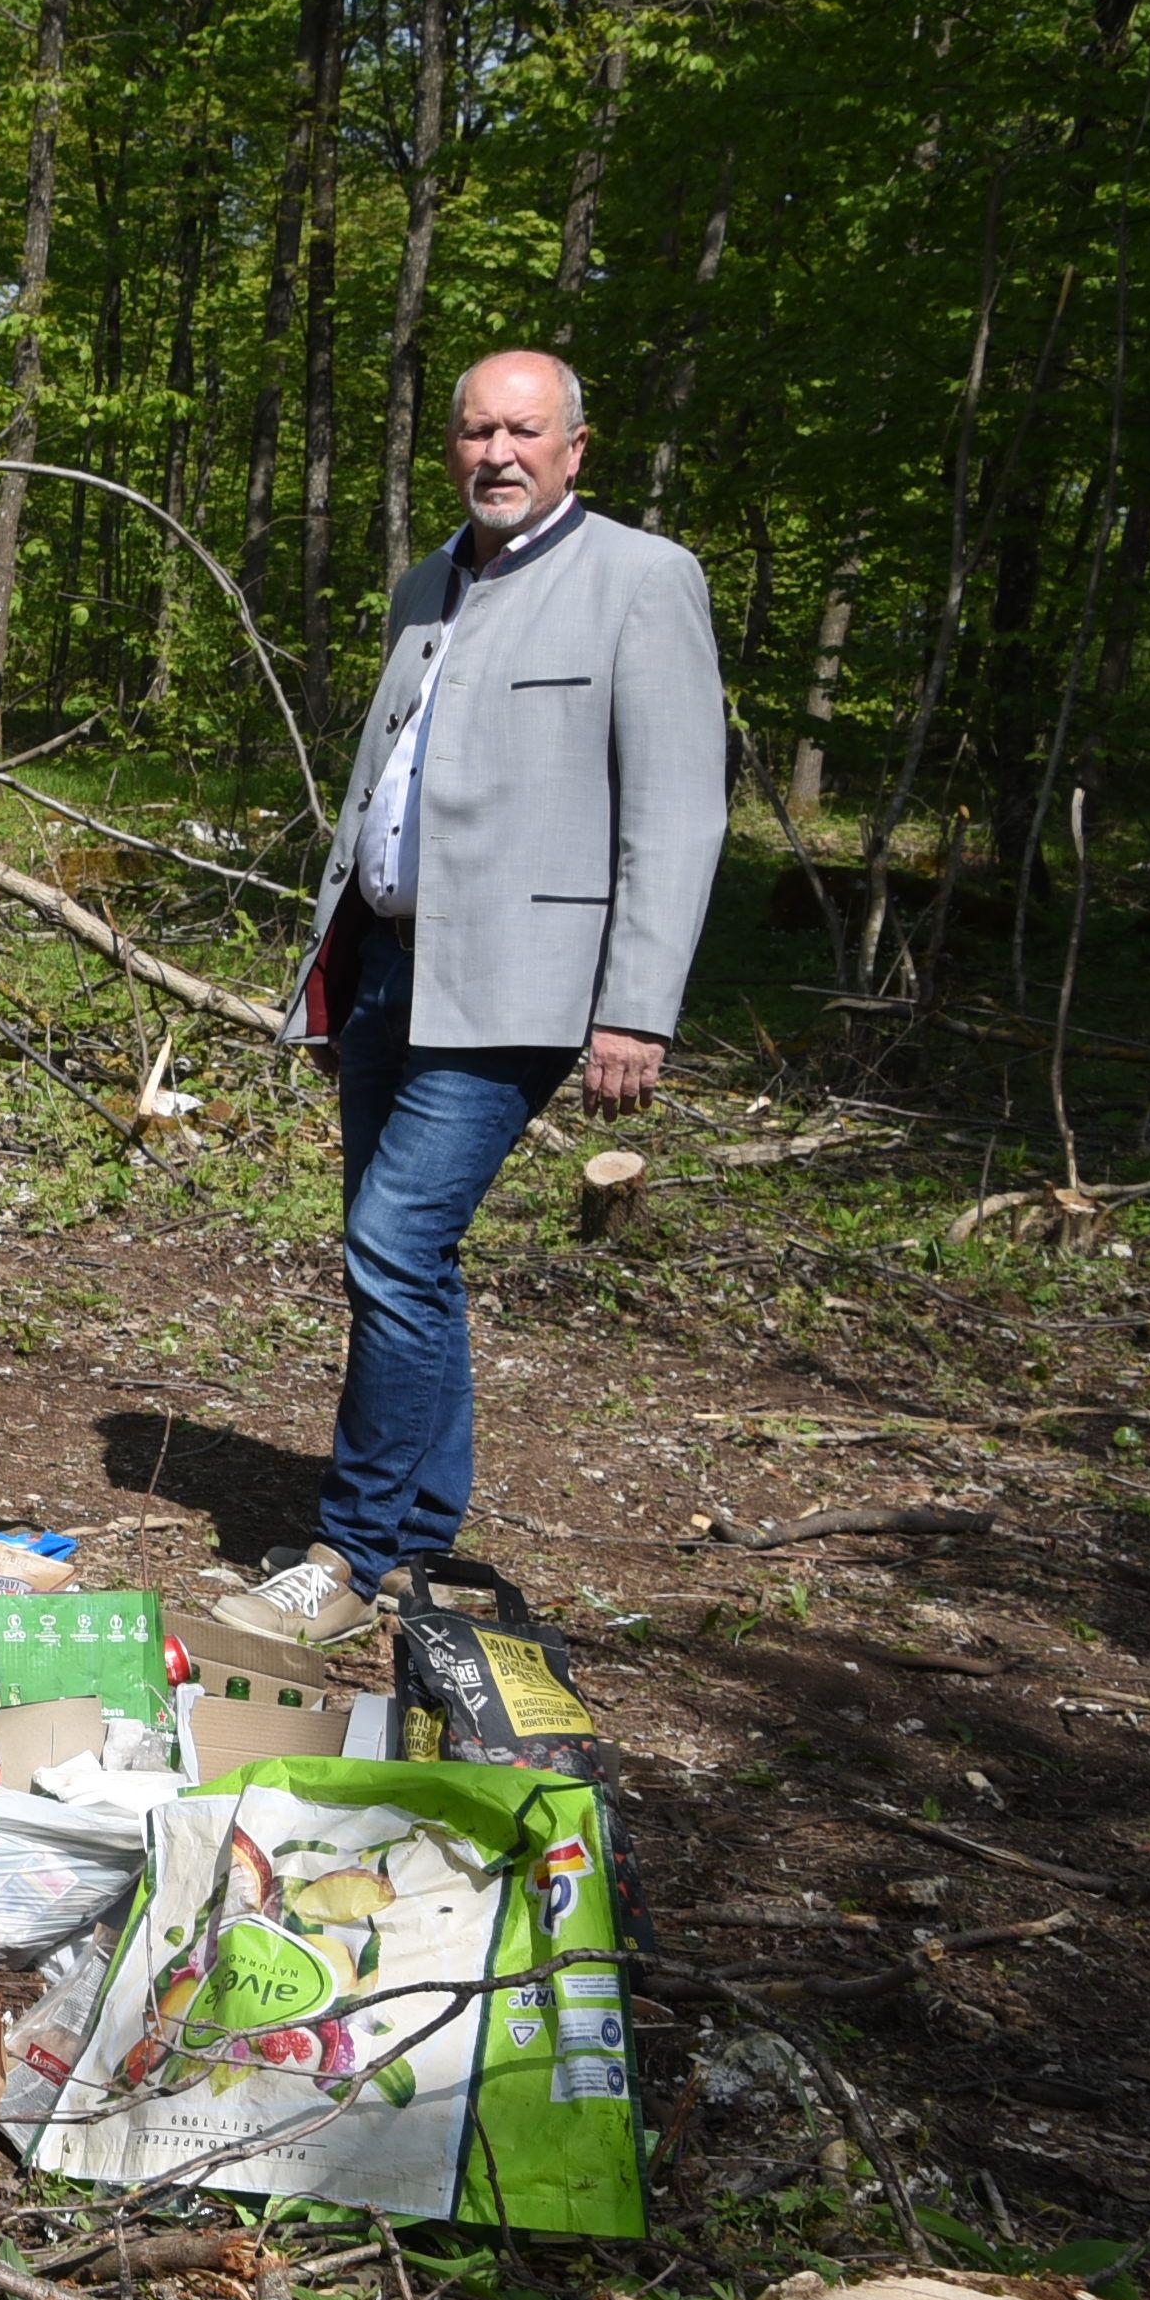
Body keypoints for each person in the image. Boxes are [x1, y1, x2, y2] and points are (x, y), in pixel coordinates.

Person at [224, 347, 727, 1642]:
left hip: (523, 984)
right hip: (388, 966)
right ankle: (417, 1546)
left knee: (391, 1243)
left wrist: (637, 1006)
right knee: (408, 1260)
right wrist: (333, 976)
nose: (497, 452)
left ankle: (349, 1556)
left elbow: (675, 810)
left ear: (575, 447)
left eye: (524, 430)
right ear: (448, 447)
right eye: (475, 431)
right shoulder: (423, 587)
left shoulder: (641, 581)